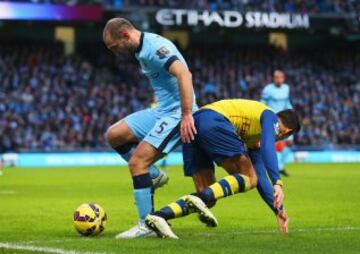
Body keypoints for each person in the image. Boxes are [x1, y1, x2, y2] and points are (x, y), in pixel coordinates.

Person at [145, 99, 301, 239]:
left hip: (193, 124)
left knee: (207, 197)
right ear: (287, 132)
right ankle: (196, 200)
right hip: (213, 120)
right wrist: (277, 182)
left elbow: (260, 176)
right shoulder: (269, 116)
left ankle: (159, 216)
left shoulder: (254, 137)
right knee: (248, 177)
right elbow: (268, 148)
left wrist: (278, 210)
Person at [102, 18, 198, 238]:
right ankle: (153, 175)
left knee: (137, 163)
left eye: (114, 47)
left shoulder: (154, 48)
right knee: (114, 135)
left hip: (176, 113)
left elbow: (185, 74)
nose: (115, 52)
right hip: (162, 110)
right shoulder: (140, 49)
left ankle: (147, 225)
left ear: (125, 35)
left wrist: (186, 114)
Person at [261, 70, 293, 176]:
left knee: (289, 143)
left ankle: (280, 166)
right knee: (275, 145)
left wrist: (291, 112)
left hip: (284, 119)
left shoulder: (286, 88)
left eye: (281, 77)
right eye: (277, 77)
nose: (279, 79)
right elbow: (262, 103)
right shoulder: (268, 89)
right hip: (272, 118)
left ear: (283, 78)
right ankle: (275, 167)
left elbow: (287, 102)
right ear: (274, 78)